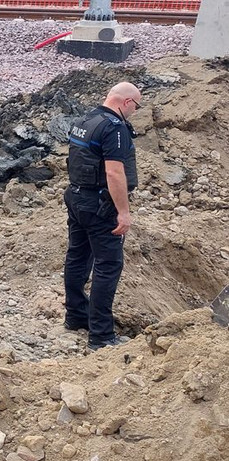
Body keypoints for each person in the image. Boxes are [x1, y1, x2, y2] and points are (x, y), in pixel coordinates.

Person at [64, 81, 142, 350]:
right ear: (127, 102)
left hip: (76, 197)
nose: (134, 112)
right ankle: (101, 335)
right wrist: (123, 212)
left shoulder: (86, 120)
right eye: (136, 106)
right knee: (108, 266)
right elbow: (114, 172)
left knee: (77, 257)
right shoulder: (114, 128)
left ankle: (76, 316)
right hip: (99, 205)